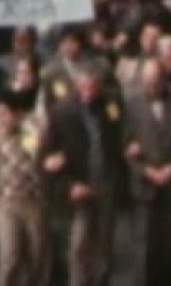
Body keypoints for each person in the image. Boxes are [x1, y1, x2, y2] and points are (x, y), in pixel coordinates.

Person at [42, 71, 125, 286]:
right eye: (84, 87)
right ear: (77, 87)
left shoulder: (109, 105)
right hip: (79, 185)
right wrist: (68, 185)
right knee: (80, 244)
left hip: (105, 183)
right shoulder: (61, 112)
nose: (88, 92)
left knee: (104, 244)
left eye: (93, 88)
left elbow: (117, 136)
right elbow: (46, 157)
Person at [127, 59, 171, 286]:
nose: (150, 87)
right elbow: (124, 146)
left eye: (154, 82)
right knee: (144, 246)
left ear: (164, 80)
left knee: (170, 246)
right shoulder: (131, 103)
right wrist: (146, 171)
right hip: (145, 185)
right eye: (146, 82)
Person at [0, 91, 50, 286]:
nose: (1, 118)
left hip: (33, 200)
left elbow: (35, 151)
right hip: (6, 201)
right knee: (9, 256)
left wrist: (24, 126)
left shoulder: (33, 128)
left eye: (5, 113)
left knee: (37, 256)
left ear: (17, 113)